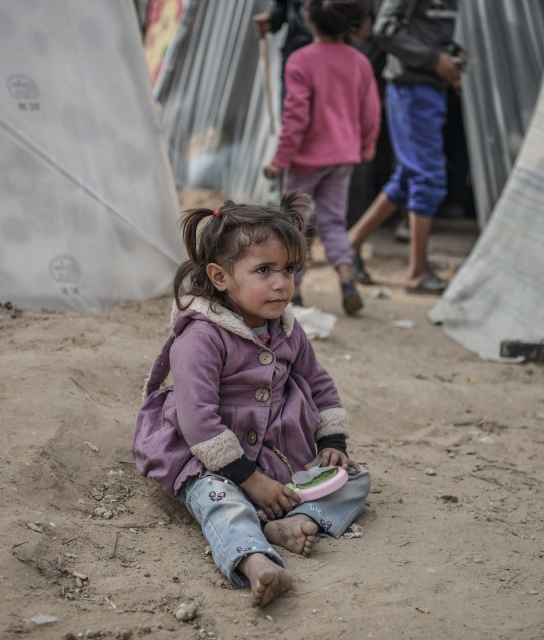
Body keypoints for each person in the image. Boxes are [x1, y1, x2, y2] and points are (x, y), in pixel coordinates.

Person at [133, 191, 371, 608]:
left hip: (280, 456)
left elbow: (318, 383)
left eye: (289, 269)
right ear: (220, 277)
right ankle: (255, 560)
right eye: (264, 270)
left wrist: (333, 445)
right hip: (209, 459)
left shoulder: (286, 327)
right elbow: (198, 421)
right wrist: (250, 480)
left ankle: (293, 521)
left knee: (354, 477)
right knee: (219, 501)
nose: (282, 283)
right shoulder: (201, 337)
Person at [262, 0, 381, 315]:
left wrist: (280, 160)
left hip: (306, 161)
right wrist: (367, 146)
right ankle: (346, 279)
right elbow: (371, 110)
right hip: (344, 157)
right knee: (333, 222)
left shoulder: (300, 60)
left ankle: (295, 289)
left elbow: (296, 117)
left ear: (307, 19)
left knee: (295, 225)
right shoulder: (359, 62)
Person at [347, 0, 463, 294]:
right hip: (412, 89)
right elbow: (386, 31)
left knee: (410, 175)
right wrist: (433, 59)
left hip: (431, 89)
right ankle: (417, 272)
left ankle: (352, 243)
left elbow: (424, 32)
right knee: (429, 178)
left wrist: (450, 55)